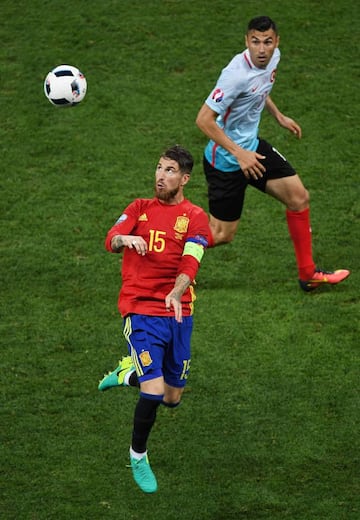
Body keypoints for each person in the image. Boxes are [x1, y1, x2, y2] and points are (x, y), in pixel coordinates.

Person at [195, 15, 350, 291]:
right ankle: (168, 250)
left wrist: (278, 115)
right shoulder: (234, 75)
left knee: (299, 197)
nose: (262, 49)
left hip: (252, 148)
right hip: (226, 161)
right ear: (247, 42)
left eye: (267, 42)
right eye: (255, 42)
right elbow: (203, 120)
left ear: (276, 42)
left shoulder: (274, 58)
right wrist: (239, 154)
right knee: (221, 234)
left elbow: (260, 89)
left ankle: (308, 274)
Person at [98, 145, 210, 494]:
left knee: (172, 398)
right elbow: (110, 240)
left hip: (178, 312)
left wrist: (177, 292)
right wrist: (124, 237)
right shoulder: (139, 208)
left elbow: (191, 259)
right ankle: (137, 455)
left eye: (170, 170)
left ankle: (126, 373)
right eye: (159, 168)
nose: (160, 176)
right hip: (141, 309)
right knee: (154, 390)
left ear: (185, 178)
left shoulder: (195, 217)